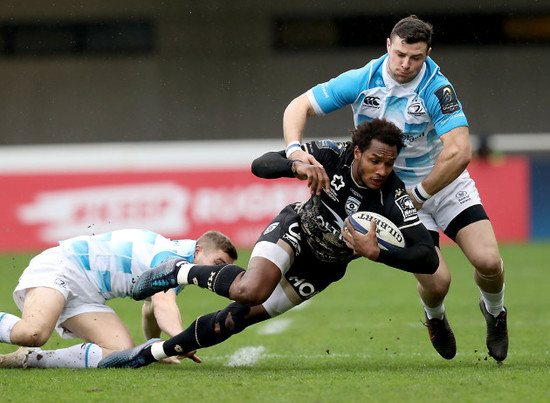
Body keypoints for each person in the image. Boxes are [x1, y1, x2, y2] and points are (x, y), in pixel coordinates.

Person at [96, 118, 439, 369]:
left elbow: (427, 258)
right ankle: (179, 270)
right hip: (294, 230)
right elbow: (260, 165)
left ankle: (149, 354)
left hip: (321, 270)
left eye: (389, 163)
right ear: (357, 152)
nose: (381, 170)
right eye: (374, 160)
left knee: (234, 320)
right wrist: (296, 165)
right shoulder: (331, 155)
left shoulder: (393, 194)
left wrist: (378, 253)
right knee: (251, 290)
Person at [280, 15, 508, 361]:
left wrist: (422, 194)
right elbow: (298, 106)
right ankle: (435, 317)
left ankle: (495, 312)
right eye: (400, 54)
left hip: (442, 184)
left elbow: (460, 151)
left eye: (415, 57)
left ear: (427, 53)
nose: (406, 64)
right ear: (389, 45)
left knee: (488, 260)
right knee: (437, 282)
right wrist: (295, 150)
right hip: (393, 192)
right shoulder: (363, 79)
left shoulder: (436, 88)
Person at [0, 229, 237, 368]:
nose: (217, 273)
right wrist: (181, 340)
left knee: (119, 352)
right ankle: (29, 347)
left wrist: (154, 346)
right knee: (32, 333)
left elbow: (150, 308)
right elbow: (163, 305)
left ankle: (28, 359)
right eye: (218, 264)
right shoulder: (172, 259)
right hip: (65, 266)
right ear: (198, 250)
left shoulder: (180, 263)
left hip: (90, 294)